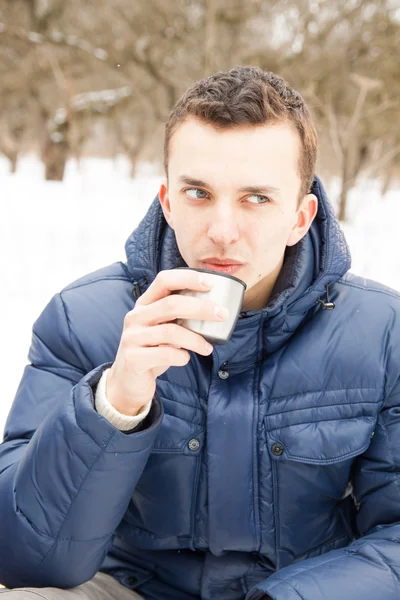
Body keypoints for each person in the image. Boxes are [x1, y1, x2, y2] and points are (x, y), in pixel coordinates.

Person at [1, 66, 400, 600]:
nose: (222, 230)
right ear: (167, 201)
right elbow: (23, 555)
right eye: (198, 193)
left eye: (257, 198)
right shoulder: (85, 319)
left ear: (301, 218)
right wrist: (114, 404)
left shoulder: (382, 333)